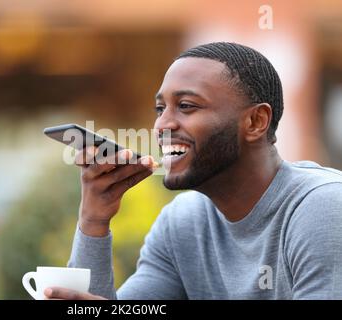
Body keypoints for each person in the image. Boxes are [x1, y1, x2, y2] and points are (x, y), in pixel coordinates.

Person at [44, 42, 342, 300]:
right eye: (160, 109)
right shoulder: (184, 223)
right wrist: (93, 220)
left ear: (255, 122)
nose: (162, 125)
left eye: (186, 106)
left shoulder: (321, 208)